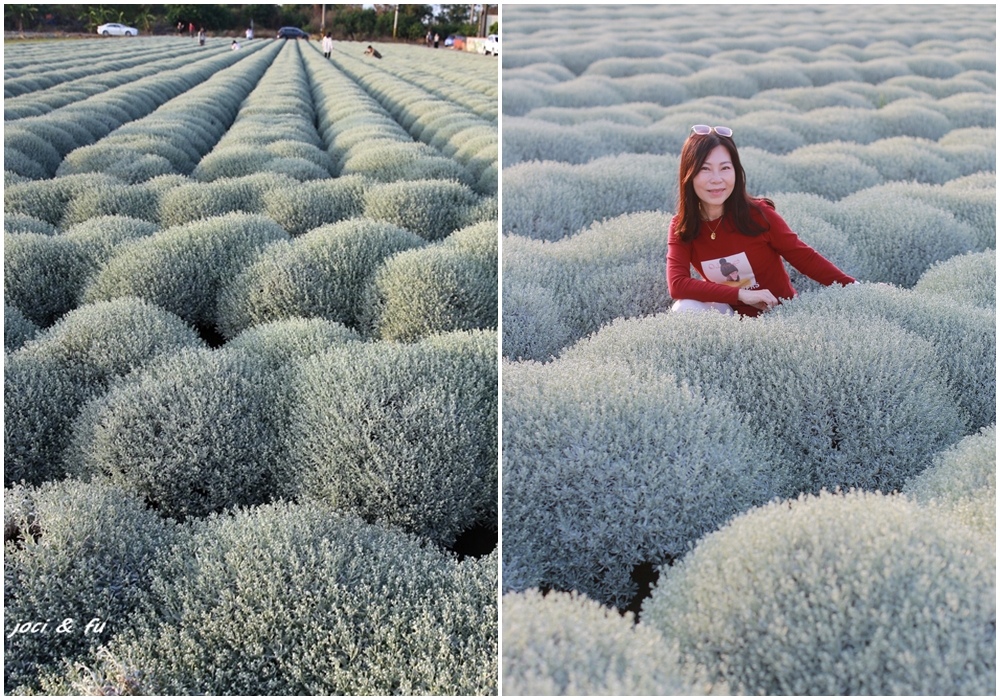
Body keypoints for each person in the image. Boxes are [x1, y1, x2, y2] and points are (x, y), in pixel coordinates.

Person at [666, 125, 856, 316]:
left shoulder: (758, 215)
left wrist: (856, 288)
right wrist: (742, 295)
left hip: (781, 316)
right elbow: (677, 285)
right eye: (704, 169)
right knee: (684, 308)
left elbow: (804, 258)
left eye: (725, 168)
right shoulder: (682, 226)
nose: (717, 179)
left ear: (736, 172)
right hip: (728, 323)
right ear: (688, 174)